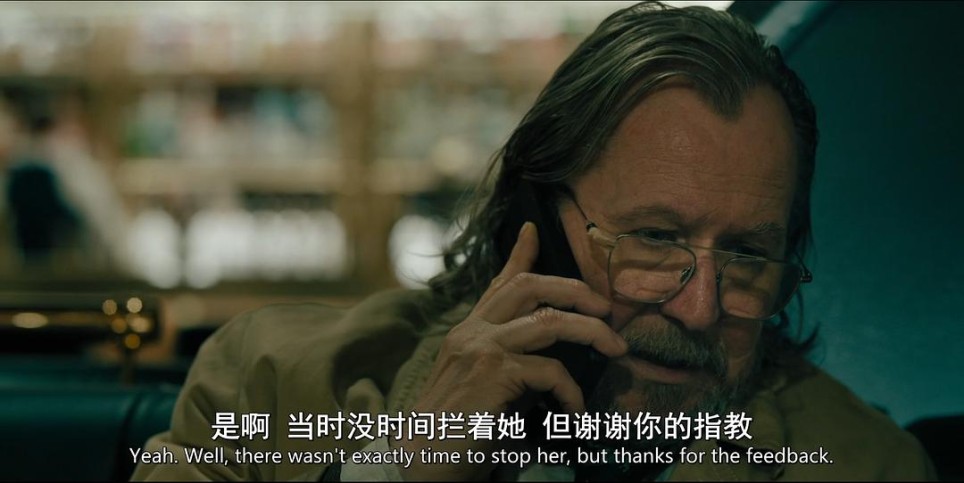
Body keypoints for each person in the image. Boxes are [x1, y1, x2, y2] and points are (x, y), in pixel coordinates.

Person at [133, 2, 934, 481]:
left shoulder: (868, 465)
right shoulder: (269, 388)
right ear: (536, 219)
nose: (699, 306)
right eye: (654, 239)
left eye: (748, 255)